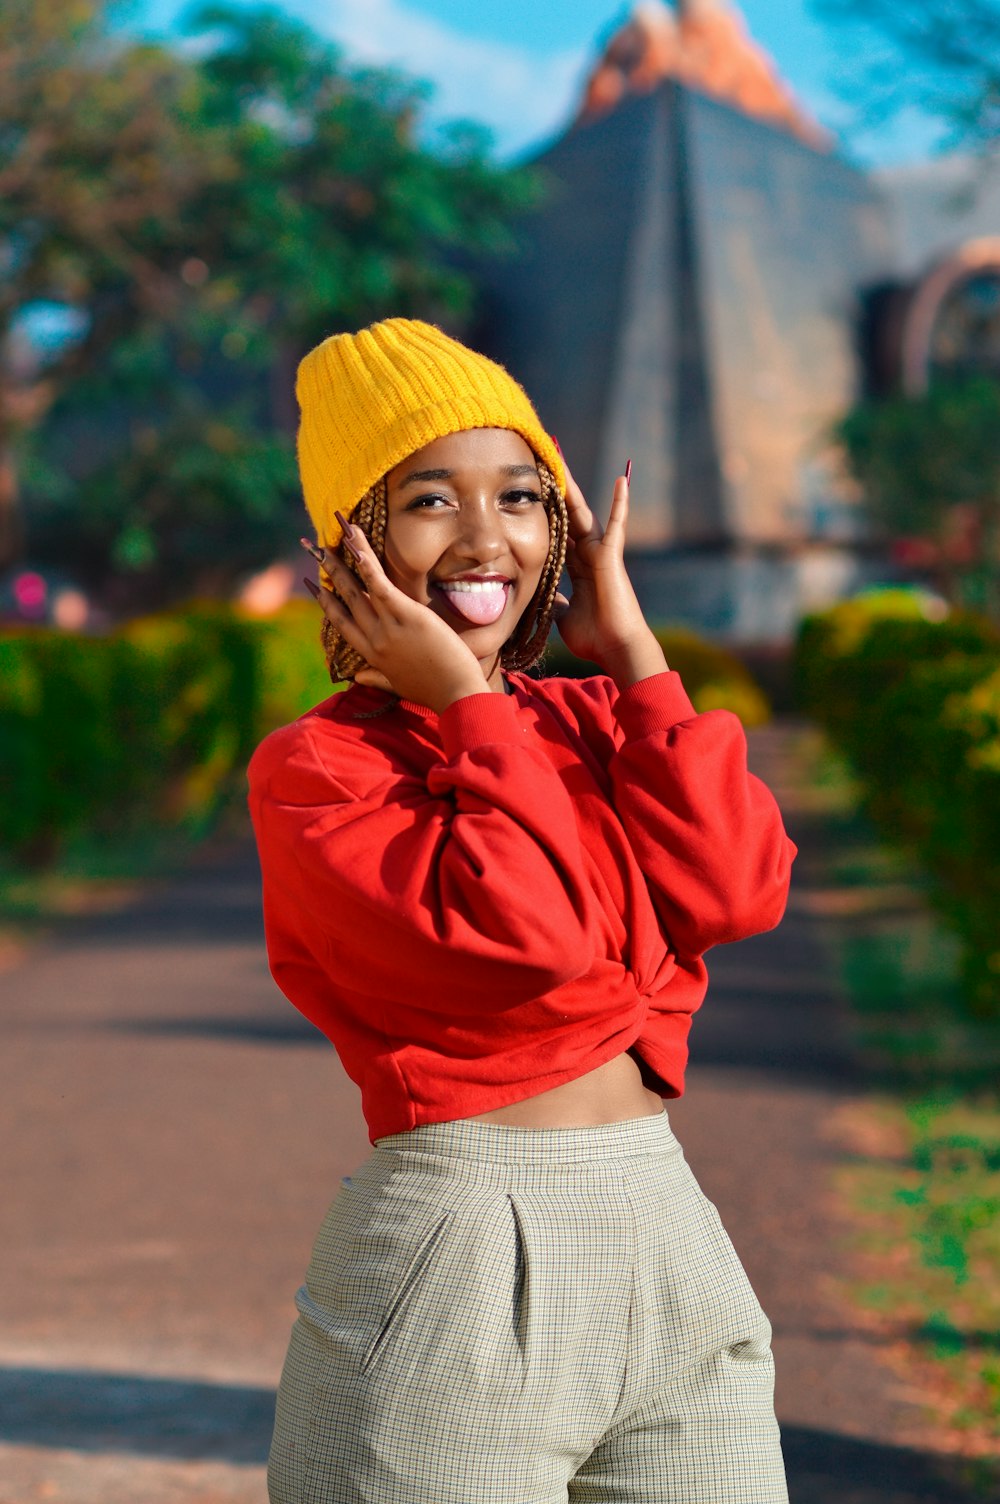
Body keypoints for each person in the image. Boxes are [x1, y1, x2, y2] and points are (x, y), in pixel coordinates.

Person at [247, 317, 797, 1504]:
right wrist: (459, 701)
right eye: (430, 501)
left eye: (521, 496)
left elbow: (737, 889)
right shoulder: (320, 772)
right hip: (463, 1254)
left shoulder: (599, 722)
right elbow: (529, 948)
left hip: (669, 1231)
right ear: (349, 542)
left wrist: (636, 652)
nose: (486, 537)